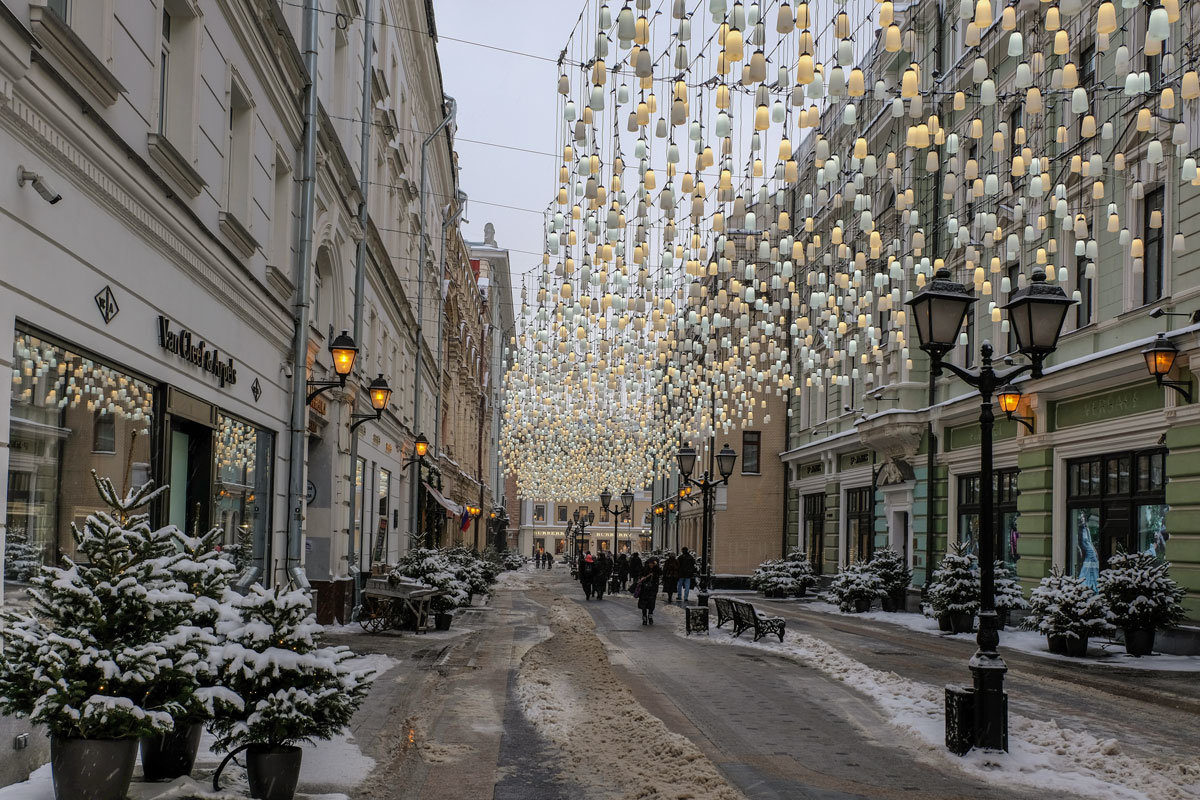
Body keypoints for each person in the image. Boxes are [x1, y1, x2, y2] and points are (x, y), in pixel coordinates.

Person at [636, 556, 662, 625]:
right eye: (650, 563)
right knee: (643, 605)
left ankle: (650, 617)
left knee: (651, 604)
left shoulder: (656, 569)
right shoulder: (644, 569)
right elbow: (640, 576)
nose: (651, 565)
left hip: (653, 589)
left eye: (653, 563)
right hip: (644, 589)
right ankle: (644, 618)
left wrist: (656, 567)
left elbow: (660, 573)